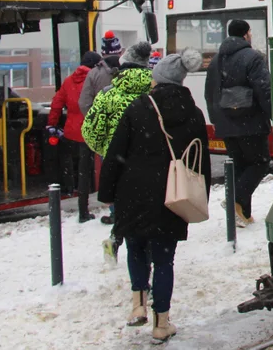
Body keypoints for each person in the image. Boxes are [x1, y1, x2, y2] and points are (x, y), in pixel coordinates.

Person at [98, 49, 209, 343]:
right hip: (172, 196)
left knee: (135, 247)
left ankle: (137, 305)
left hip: (133, 191)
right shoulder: (194, 113)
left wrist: (107, 191)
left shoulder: (138, 108)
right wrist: (201, 196)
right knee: (164, 260)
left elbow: (115, 154)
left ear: (157, 79)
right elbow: (201, 161)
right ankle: (162, 322)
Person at [83, 40, 153, 259]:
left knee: (122, 200)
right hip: (151, 159)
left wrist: (106, 149)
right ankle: (148, 244)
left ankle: (118, 234)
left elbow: (91, 132)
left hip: (117, 159)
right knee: (149, 202)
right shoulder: (155, 91)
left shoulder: (108, 95)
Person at [205, 19, 271, 227]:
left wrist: (216, 121)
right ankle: (234, 200)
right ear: (246, 34)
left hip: (226, 124)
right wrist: (272, 115)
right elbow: (264, 90)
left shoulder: (216, 60)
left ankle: (243, 214)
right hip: (250, 123)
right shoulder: (253, 57)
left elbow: (210, 94)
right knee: (260, 163)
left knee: (240, 166)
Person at [47, 50, 102, 221]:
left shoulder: (69, 80)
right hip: (88, 131)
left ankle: (69, 188)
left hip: (70, 132)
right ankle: (83, 211)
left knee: (71, 164)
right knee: (85, 171)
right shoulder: (93, 80)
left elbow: (56, 103)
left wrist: (52, 124)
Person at [79, 31, 123, 223]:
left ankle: (115, 212)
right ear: (119, 51)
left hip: (106, 133)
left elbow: (83, 103)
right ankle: (130, 208)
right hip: (131, 129)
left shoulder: (94, 74)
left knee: (110, 172)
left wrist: (97, 121)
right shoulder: (128, 70)